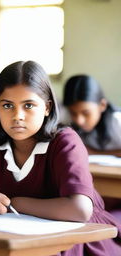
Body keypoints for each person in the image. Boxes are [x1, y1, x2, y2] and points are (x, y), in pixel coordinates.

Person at [0, 61, 121, 256]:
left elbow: (79, 210)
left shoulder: (64, 141)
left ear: (47, 107)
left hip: (76, 239)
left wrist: (16, 204)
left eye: (28, 105)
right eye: (7, 105)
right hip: (12, 235)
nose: (17, 116)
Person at [63, 74, 121, 221]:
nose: (79, 120)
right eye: (73, 113)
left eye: (85, 113)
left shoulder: (117, 122)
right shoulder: (69, 123)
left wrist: (91, 151)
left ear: (102, 105)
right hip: (94, 196)